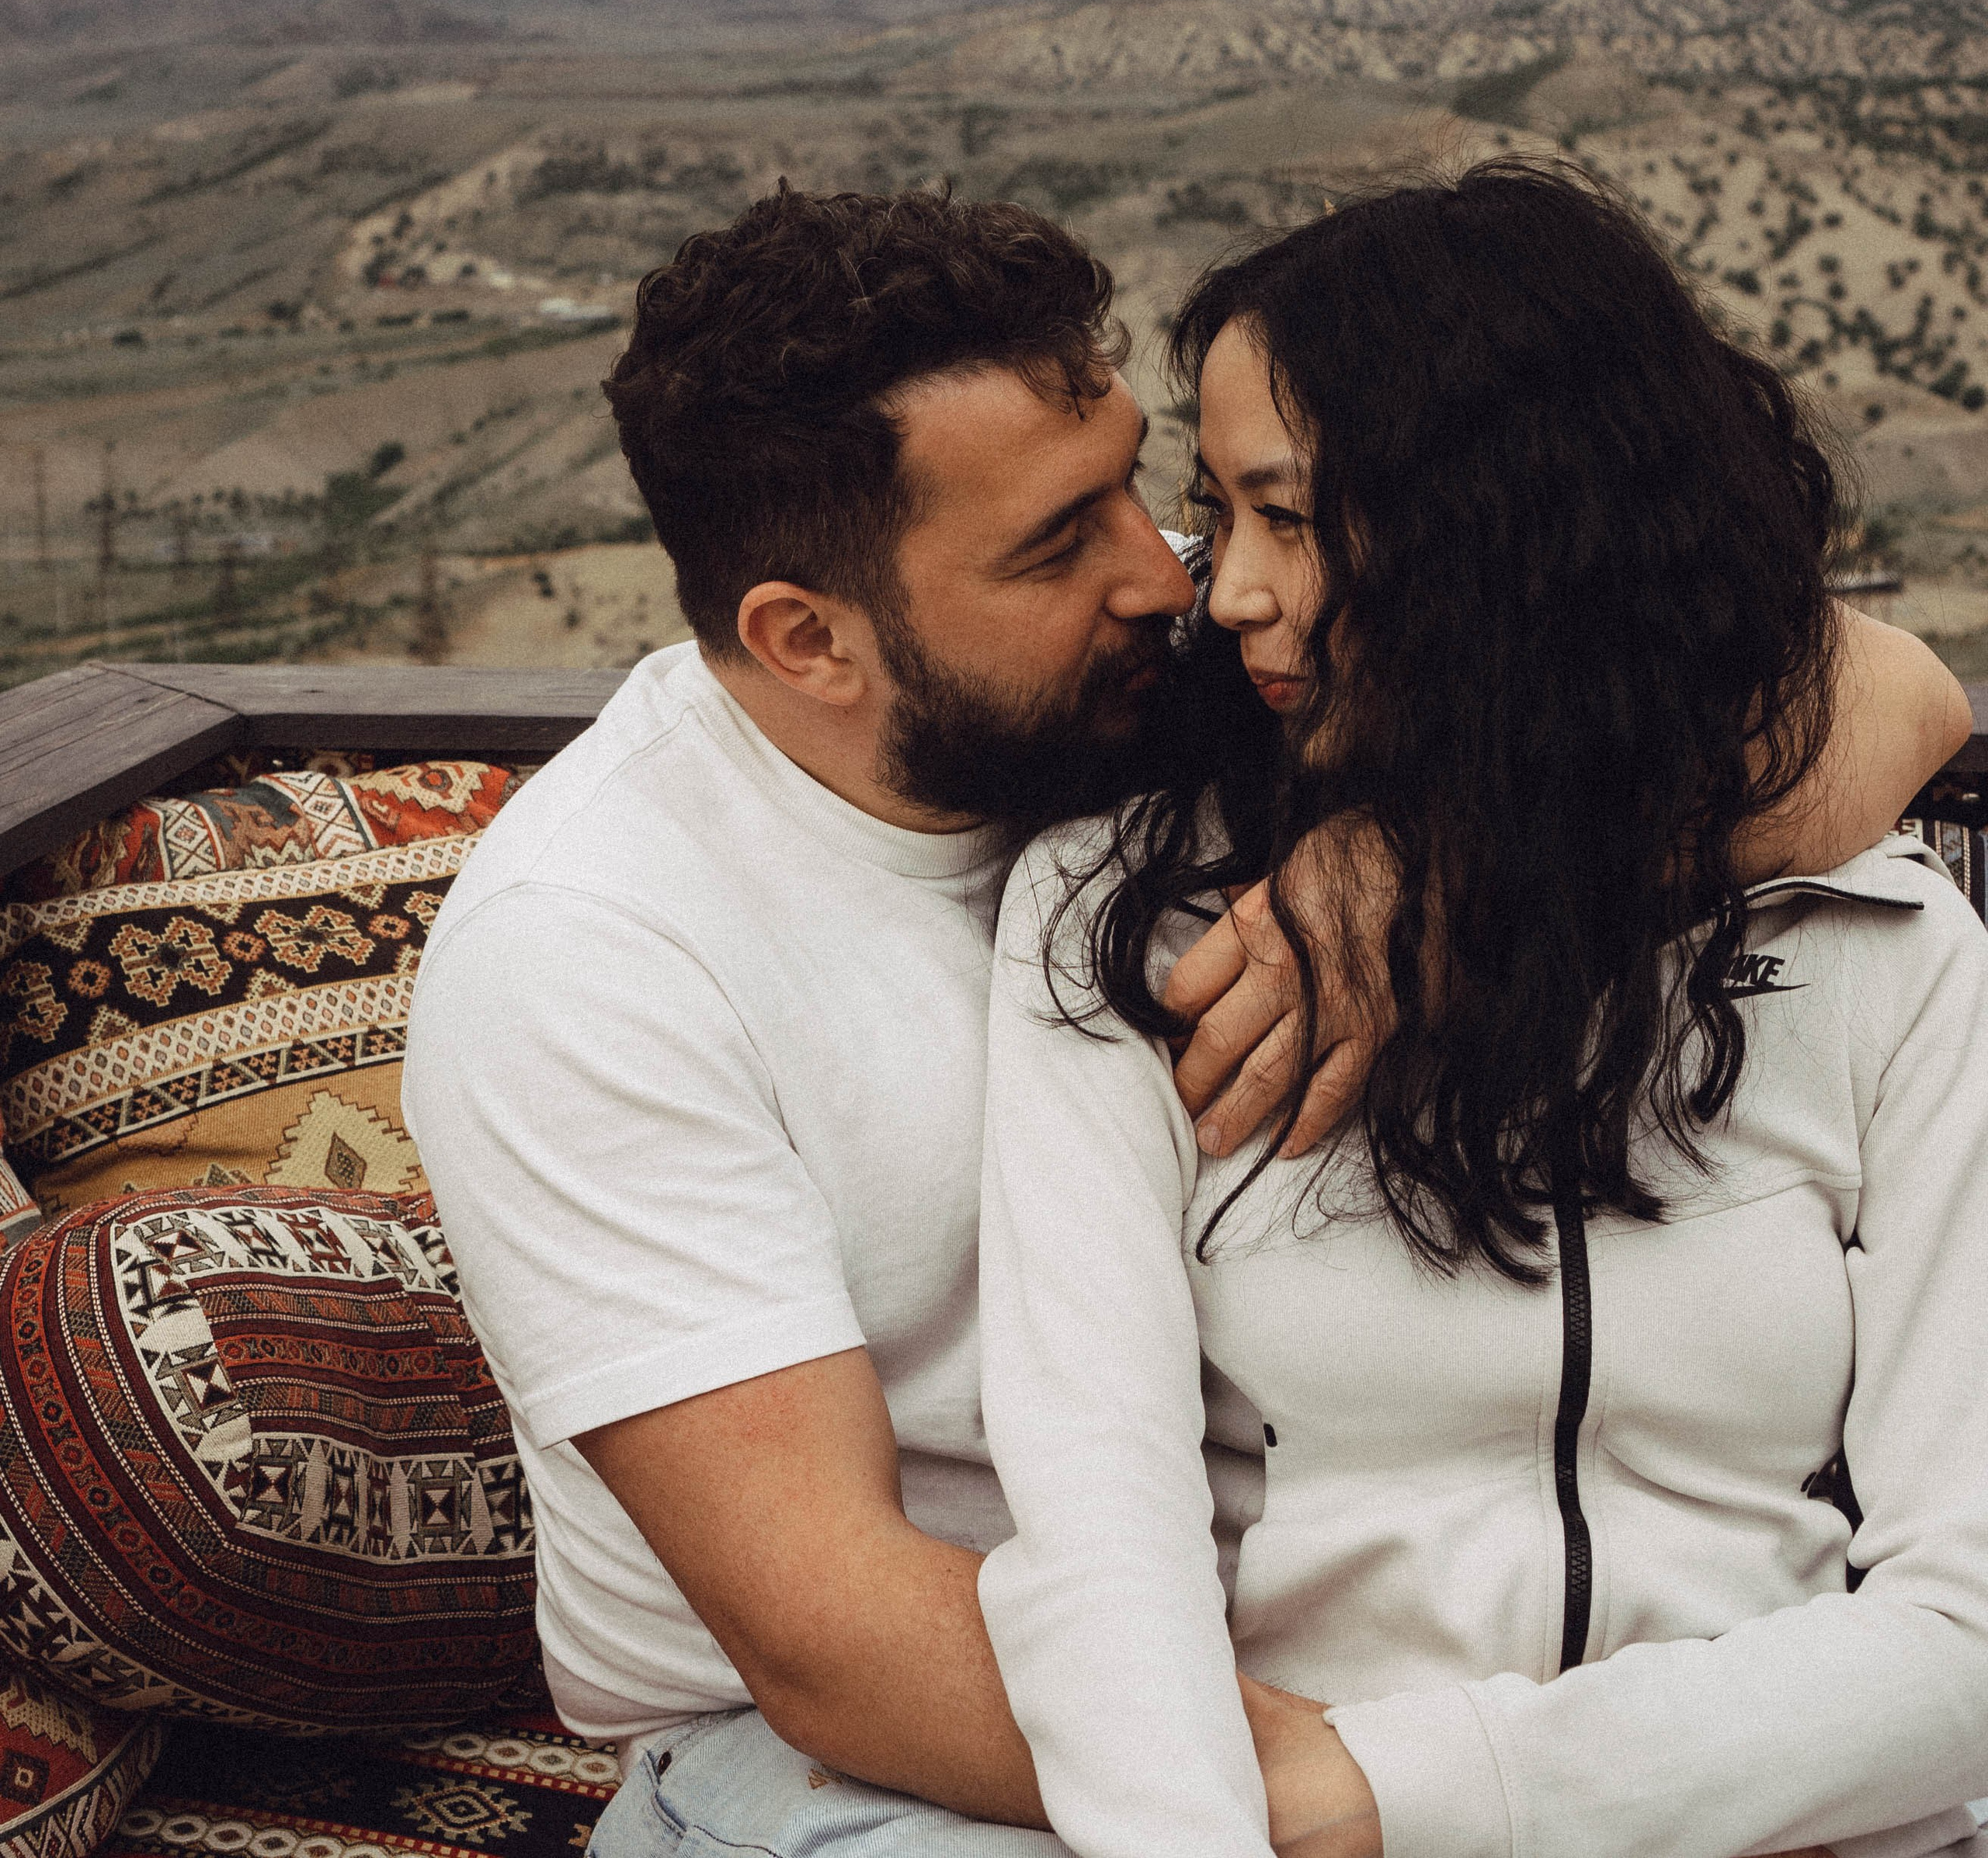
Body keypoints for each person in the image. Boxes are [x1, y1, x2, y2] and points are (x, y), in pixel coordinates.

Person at [403, 179, 1966, 1858]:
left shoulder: (1171, 696)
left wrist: (1449, 862)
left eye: (1147, 495)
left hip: (1319, 1714)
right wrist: (1360, 1798)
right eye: (1058, 542)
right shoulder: (602, 951)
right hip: (892, 1747)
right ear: (813, 642)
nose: (1175, 578)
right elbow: (832, 1643)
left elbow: (1871, 685)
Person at [976, 158, 1988, 1858]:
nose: (1221, 592)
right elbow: (1101, 1541)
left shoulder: (1881, 944)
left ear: (1506, 528)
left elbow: (1967, 1623)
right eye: (1217, 512)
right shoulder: (1123, 933)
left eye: (1285, 519)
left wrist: (1414, 1789)